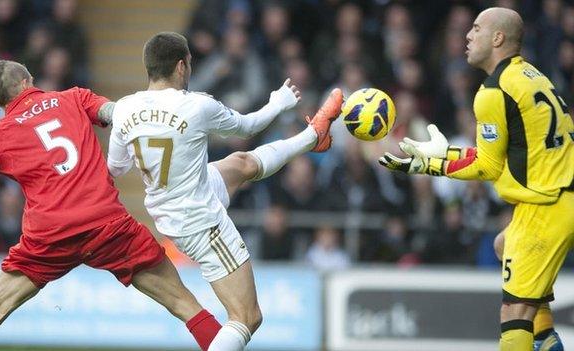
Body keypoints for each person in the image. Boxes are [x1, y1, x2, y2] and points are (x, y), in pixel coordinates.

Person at [0, 60, 223, 351]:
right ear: (27, 81)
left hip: (50, 237)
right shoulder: (74, 98)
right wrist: (183, 107)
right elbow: (120, 114)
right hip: (107, 226)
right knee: (185, 304)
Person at [107, 32, 342, 351]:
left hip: (177, 201)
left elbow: (116, 168)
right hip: (201, 222)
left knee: (241, 164)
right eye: (189, 64)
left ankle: (314, 136)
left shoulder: (123, 108)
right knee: (246, 317)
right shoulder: (196, 106)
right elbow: (248, 126)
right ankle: (313, 137)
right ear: (181, 66)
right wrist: (277, 103)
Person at [379, 7, 573, 351]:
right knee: (503, 247)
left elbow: (486, 168)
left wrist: (428, 166)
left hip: (548, 205)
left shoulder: (493, 92)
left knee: (513, 314)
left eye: (476, 29)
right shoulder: (531, 75)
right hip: (556, 199)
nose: (468, 37)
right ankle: (546, 342)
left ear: (498, 38)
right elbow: (496, 157)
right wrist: (441, 154)